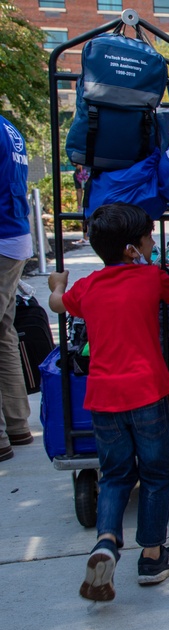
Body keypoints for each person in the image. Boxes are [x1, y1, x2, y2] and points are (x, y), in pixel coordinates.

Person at [47, 202, 169, 602]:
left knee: (115, 474)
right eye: (149, 238)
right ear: (133, 249)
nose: (153, 244)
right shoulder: (151, 278)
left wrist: (56, 285)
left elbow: (56, 304)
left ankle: (105, 543)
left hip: (102, 399)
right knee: (156, 473)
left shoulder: (87, 287)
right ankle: (152, 556)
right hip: (147, 394)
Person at [0, 114, 35, 462]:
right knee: (4, 331)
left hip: (1, 236)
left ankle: (4, 435)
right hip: (14, 235)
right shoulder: (10, 128)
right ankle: (16, 424)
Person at [73, 164, 91, 243]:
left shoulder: (89, 169)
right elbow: (79, 190)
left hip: (94, 195)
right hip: (87, 197)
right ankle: (85, 238)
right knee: (85, 217)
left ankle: (89, 237)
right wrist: (79, 205)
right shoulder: (76, 173)